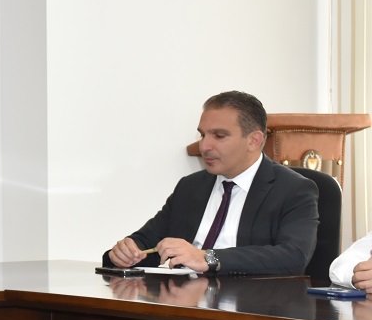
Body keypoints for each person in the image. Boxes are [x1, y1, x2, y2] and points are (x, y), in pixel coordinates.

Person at [104, 91, 319, 276]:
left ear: (253, 140)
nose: (204, 146)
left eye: (219, 136)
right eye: (202, 135)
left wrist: (207, 257)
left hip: (249, 304)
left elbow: (293, 256)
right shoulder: (190, 187)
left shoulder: (293, 190)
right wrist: (126, 252)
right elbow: (147, 241)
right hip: (184, 301)